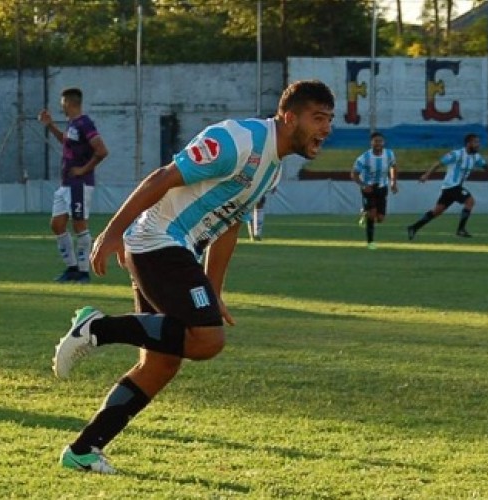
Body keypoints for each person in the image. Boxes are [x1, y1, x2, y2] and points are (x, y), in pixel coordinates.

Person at [50, 80, 336, 474]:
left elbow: (229, 226)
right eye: (318, 118)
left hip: (175, 250)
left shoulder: (271, 171)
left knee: (161, 365)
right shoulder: (238, 140)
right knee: (206, 340)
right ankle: (97, 328)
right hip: (157, 240)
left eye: (330, 120)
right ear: (289, 117)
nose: (326, 128)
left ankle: (83, 450)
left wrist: (213, 291)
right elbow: (163, 177)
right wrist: (114, 231)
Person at [39, 87, 109, 284]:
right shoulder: (72, 124)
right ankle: (71, 268)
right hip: (66, 184)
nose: (61, 107)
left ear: (69, 103)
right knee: (57, 224)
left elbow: (102, 151)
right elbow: (66, 142)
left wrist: (83, 169)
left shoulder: (85, 124)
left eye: (63, 104)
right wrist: (50, 125)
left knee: (79, 225)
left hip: (80, 184)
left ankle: (84, 272)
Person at [406, 133, 488, 240]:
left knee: (437, 211)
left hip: (452, 188)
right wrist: (426, 175)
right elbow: (439, 163)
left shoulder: (476, 157)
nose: (478, 145)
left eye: (478, 142)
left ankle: (413, 227)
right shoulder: (456, 154)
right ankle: (461, 230)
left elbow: (486, 167)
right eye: (476, 142)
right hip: (452, 186)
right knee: (470, 201)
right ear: (468, 143)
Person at [351, 132, 399, 249]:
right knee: (372, 215)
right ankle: (370, 242)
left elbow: (393, 167)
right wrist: (363, 185)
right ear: (371, 143)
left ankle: (364, 212)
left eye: (380, 141)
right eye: (375, 141)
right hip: (369, 189)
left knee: (380, 218)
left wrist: (393, 182)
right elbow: (354, 174)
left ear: (383, 142)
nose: (378, 143)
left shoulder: (389, 154)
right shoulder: (364, 158)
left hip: (382, 187)